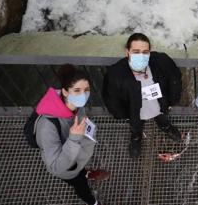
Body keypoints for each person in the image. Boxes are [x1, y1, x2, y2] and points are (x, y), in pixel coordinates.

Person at [35, 65, 109, 204]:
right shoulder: (47, 126)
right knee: (80, 184)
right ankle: (92, 202)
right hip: (67, 169)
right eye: (77, 90)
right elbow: (56, 166)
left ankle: (86, 173)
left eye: (86, 90)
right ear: (65, 92)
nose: (83, 95)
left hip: (78, 157)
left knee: (80, 172)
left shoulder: (75, 105)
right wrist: (74, 138)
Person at [103, 33, 183, 159]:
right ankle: (136, 139)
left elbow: (175, 78)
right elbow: (111, 99)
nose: (141, 55)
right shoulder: (115, 74)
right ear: (127, 52)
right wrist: (123, 115)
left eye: (145, 52)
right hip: (135, 113)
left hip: (159, 107)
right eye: (136, 51)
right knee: (136, 126)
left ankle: (166, 127)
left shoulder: (161, 61)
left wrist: (173, 100)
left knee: (162, 118)